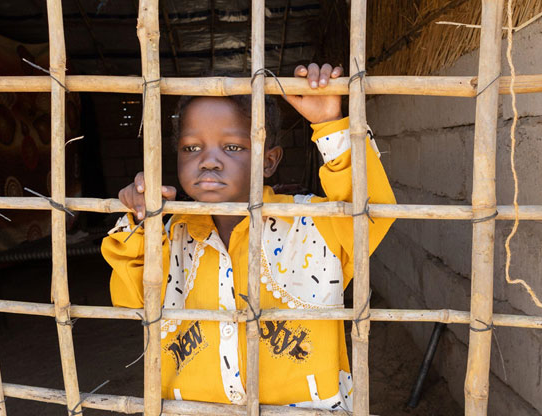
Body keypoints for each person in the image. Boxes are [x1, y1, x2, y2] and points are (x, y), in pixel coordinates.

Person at [101, 63, 396, 410]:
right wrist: (139, 220)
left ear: (269, 161)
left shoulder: (311, 224)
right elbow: (131, 300)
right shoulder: (167, 235)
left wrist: (330, 124)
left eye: (232, 147)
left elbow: (371, 211)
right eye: (191, 148)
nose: (209, 161)